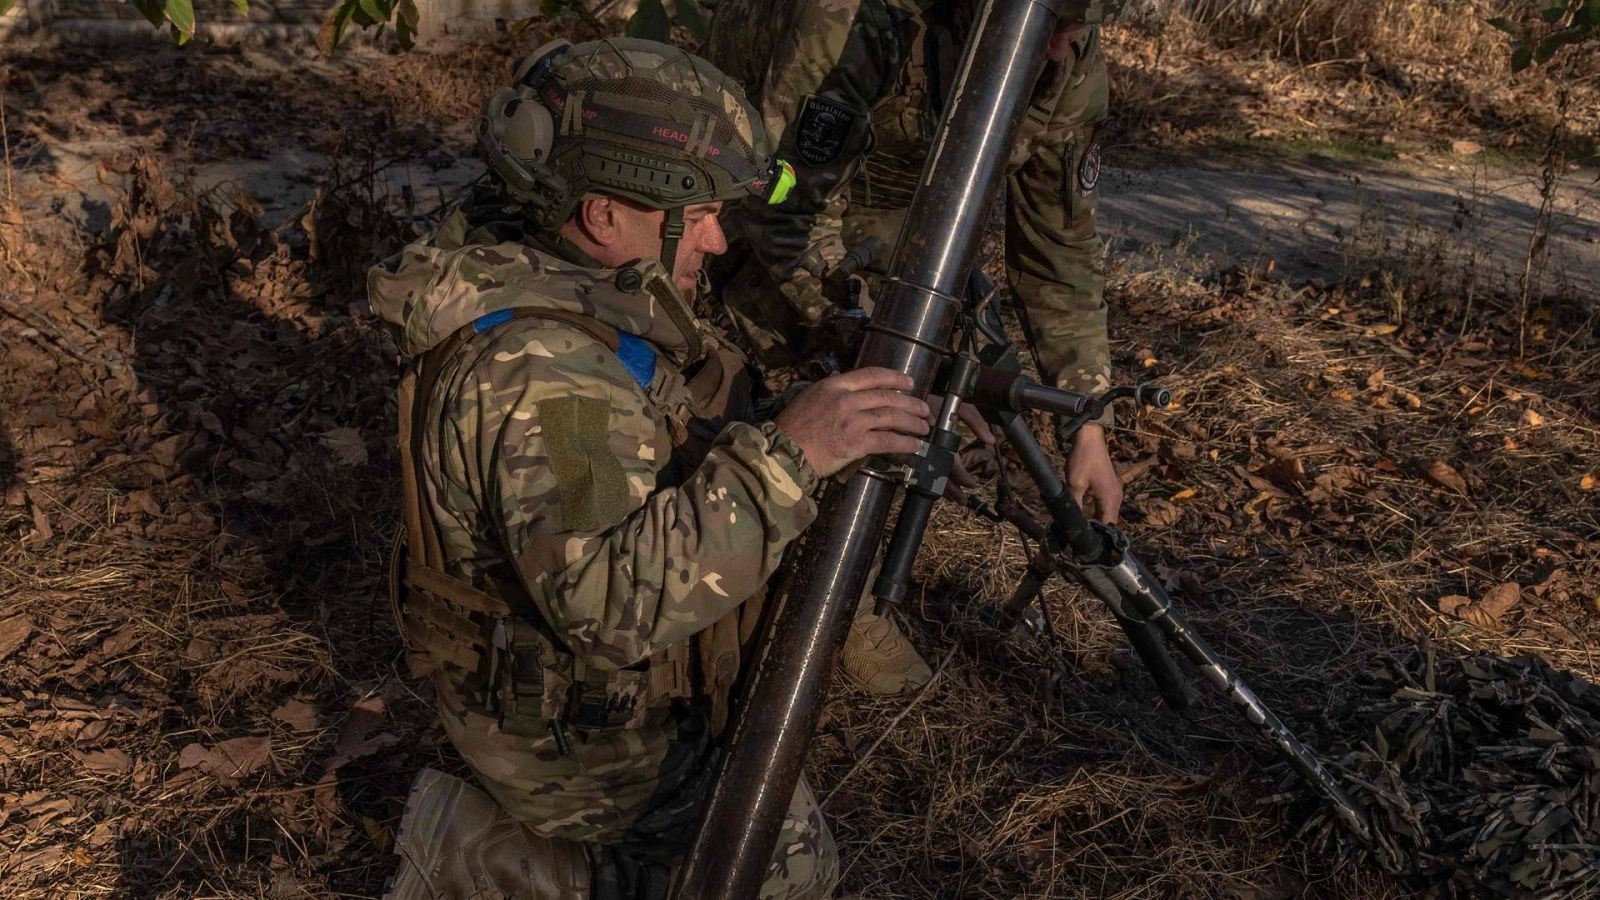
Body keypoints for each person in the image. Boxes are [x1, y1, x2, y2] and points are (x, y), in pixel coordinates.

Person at [370, 37, 935, 899]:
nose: (715, 236)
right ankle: (489, 857)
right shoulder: (552, 380)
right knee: (785, 864)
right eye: (695, 213)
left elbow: (677, 410)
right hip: (568, 737)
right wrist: (790, 457)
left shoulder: (571, 282)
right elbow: (609, 605)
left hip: (579, 687)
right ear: (601, 218)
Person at [704, 0, 1128, 531]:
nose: (1057, 47)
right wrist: (893, 364)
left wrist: (1086, 420)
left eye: (1070, 28)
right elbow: (782, 207)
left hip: (900, 217)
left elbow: (1059, 250)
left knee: (959, 401)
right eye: (1051, 25)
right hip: (744, 191)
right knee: (800, 399)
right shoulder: (852, 21)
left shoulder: (1067, 52)